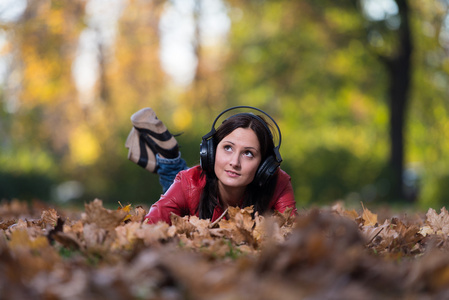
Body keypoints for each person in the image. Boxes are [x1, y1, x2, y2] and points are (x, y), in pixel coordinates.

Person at [125, 106, 297, 224]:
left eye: (248, 153)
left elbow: (294, 235)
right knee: (178, 184)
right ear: (212, 152)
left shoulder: (278, 184)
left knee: (178, 186)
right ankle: (169, 158)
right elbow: (148, 227)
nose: (234, 162)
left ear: (263, 167)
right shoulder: (188, 183)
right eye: (228, 148)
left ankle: (168, 158)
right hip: (192, 183)